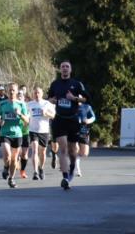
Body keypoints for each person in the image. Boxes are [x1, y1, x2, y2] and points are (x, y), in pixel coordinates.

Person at [47, 61, 90, 191]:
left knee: (72, 151)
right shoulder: (55, 84)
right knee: (63, 148)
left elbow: (87, 99)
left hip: (73, 120)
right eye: (63, 67)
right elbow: (49, 98)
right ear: (60, 70)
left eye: (67, 67)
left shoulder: (77, 84)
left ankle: (71, 168)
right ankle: (65, 177)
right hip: (59, 119)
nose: (65, 69)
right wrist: (52, 100)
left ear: (70, 70)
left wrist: (75, 98)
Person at [0, 83, 28, 188]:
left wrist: (20, 114)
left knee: (14, 159)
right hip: (5, 133)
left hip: (17, 133)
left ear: (17, 91)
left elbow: (27, 121)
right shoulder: (2, 103)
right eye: (10, 90)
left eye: (13, 90)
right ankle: (6, 166)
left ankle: (11, 178)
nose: (11, 92)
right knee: (7, 155)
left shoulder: (21, 104)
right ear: (7, 91)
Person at [25, 85, 56, 180]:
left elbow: (53, 115)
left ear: (42, 94)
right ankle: (35, 172)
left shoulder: (47, 104)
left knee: (42, 152)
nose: (37, 94)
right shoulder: (29, 104)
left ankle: (41, 168)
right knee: (34, 150)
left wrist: (46, 113)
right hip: (33, 130)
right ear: (33, 94)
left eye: (38, 92)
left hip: (44, 131)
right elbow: (26, 117)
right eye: (35, 93)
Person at [75, 102, 96, 177]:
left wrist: (88, 120)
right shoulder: (70, 106)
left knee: (84, 153)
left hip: (84, 132)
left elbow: (93, 117)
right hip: (74, 131)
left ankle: (74, 158)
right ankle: (77, 169)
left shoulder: (87, 107)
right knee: (76, 149)